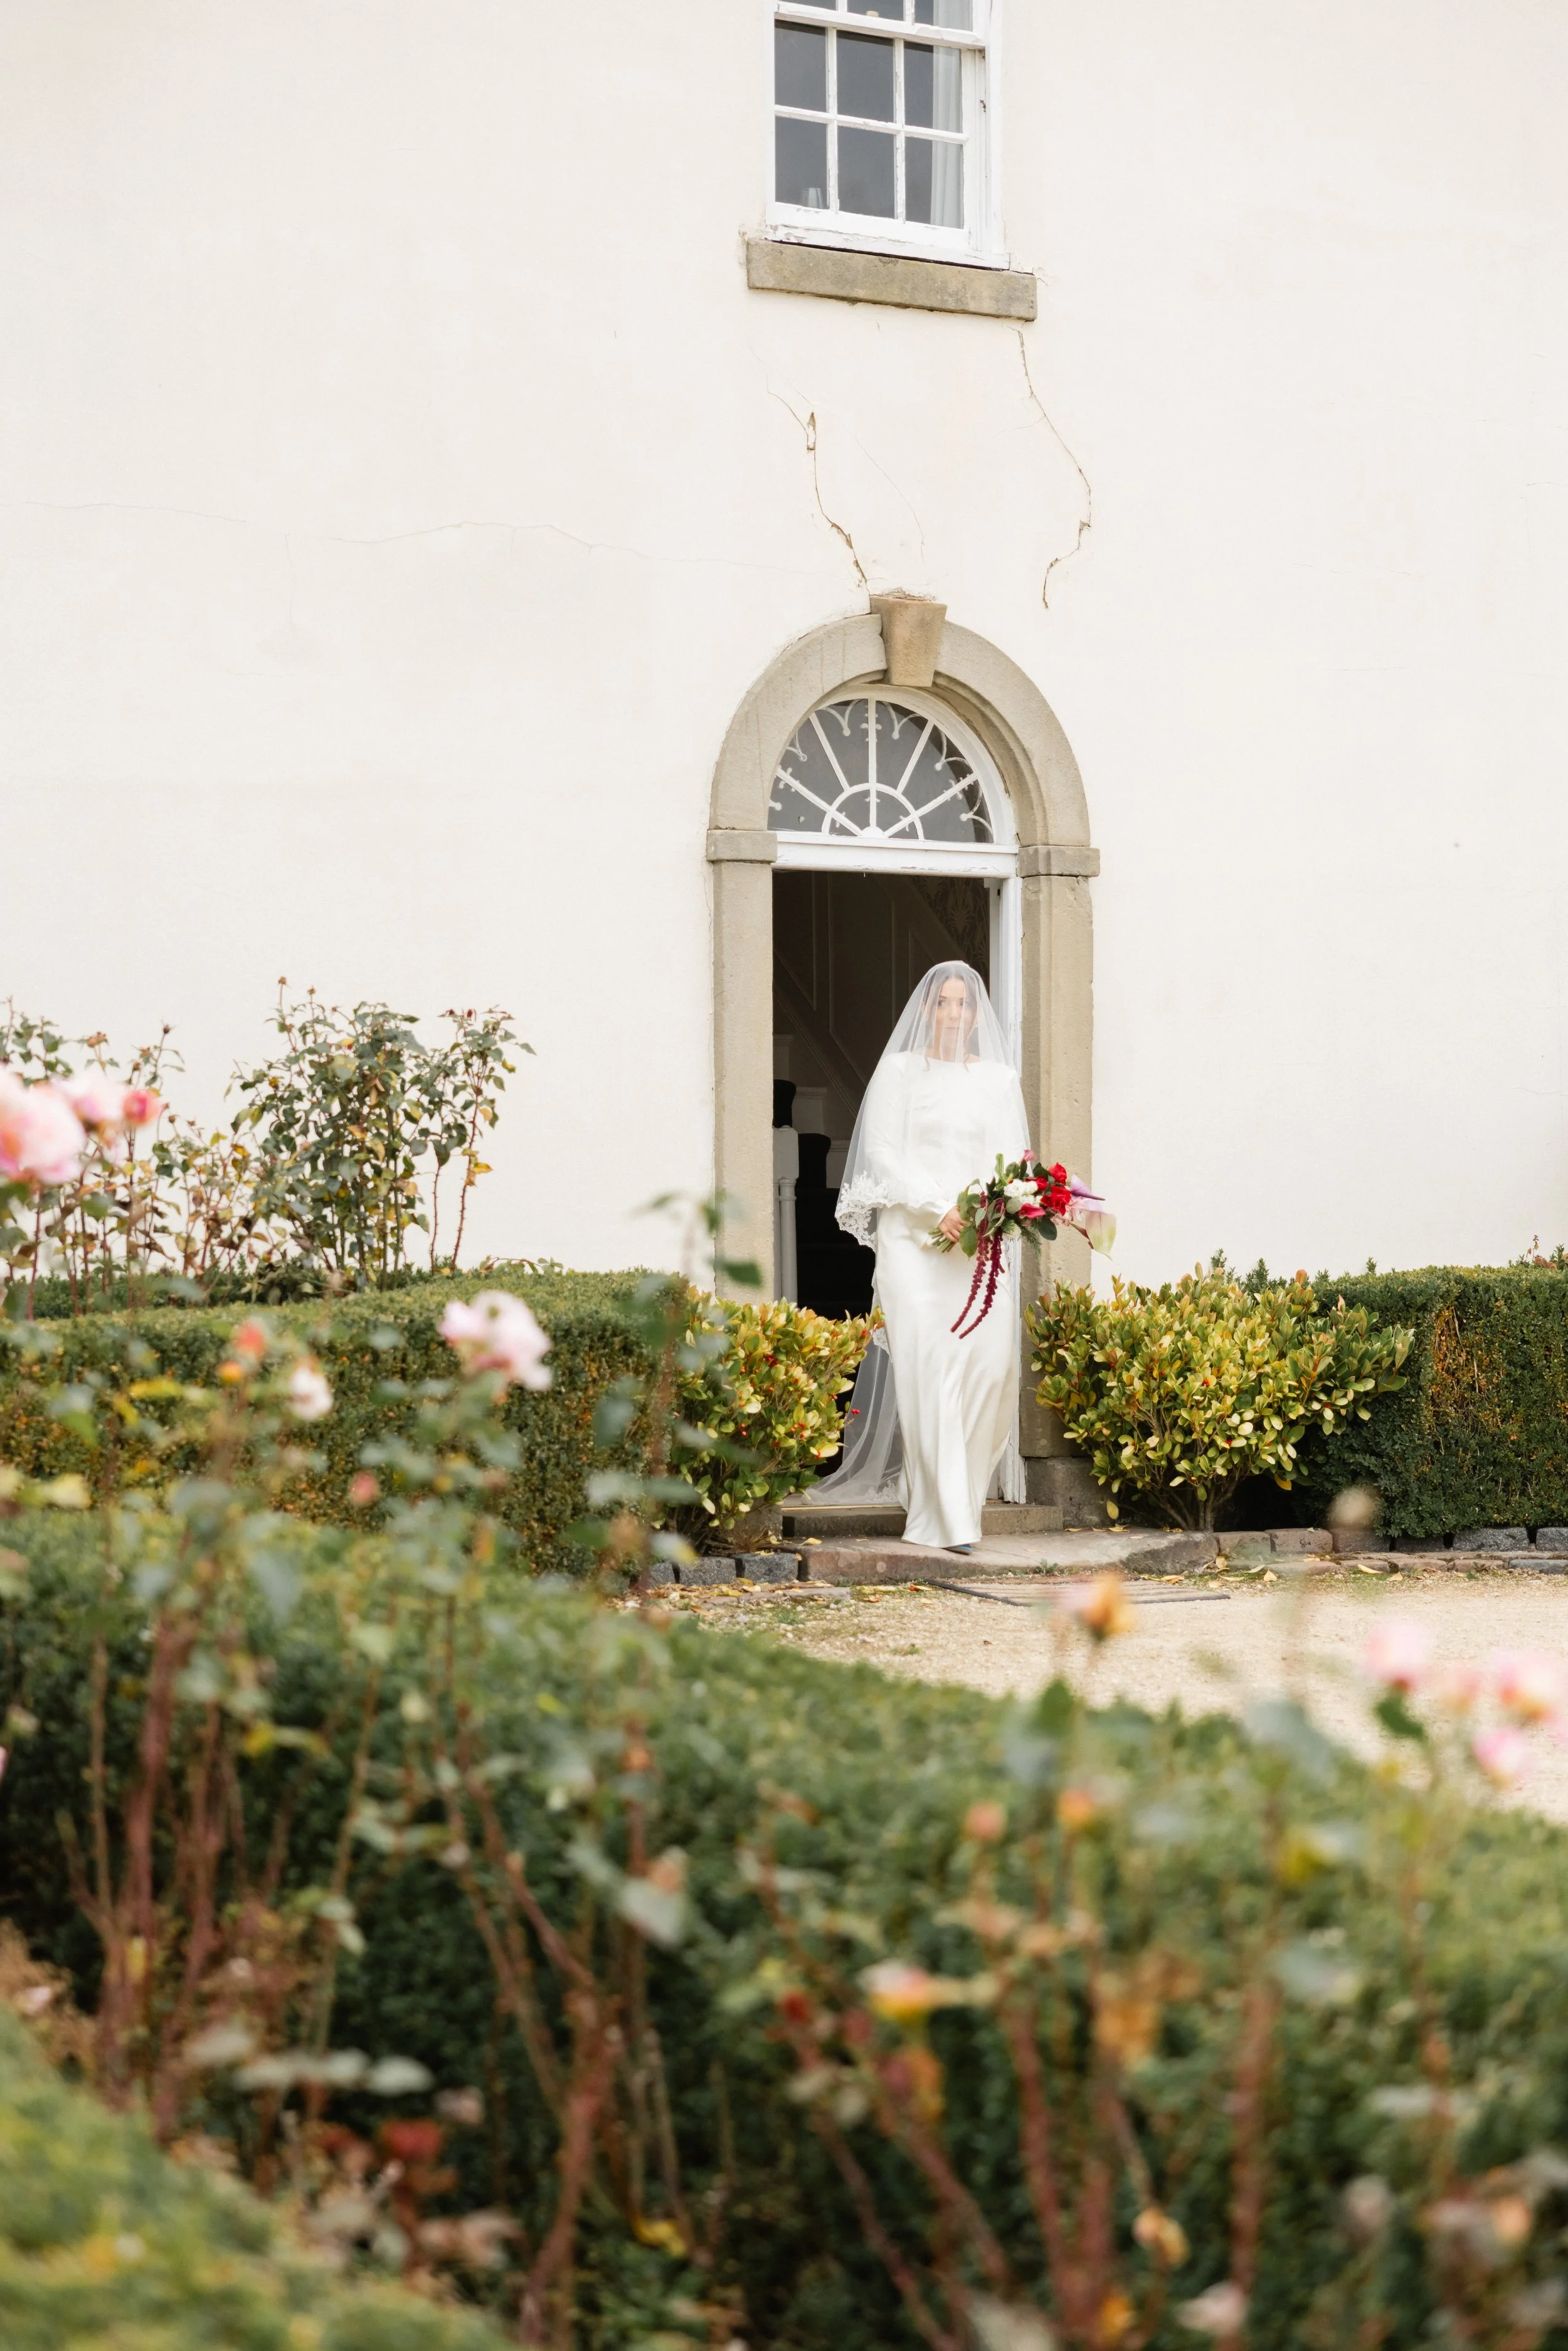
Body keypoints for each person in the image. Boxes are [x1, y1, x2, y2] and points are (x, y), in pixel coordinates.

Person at [822, 962, 1030, 1552]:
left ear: (975, 1016)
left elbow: (1014, 1159)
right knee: (932, 1369)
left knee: (992, 1370)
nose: (955, 1014)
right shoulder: (899, 1072)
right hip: (914, 1243)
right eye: (944, 1003)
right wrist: (937, 1206)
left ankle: (950, 1497)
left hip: (980, 1247)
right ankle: (946, 1522)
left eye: (964, 1005)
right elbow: (881, 1152)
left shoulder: (998, 1079)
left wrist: (996, 1208)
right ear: (927, 1010)